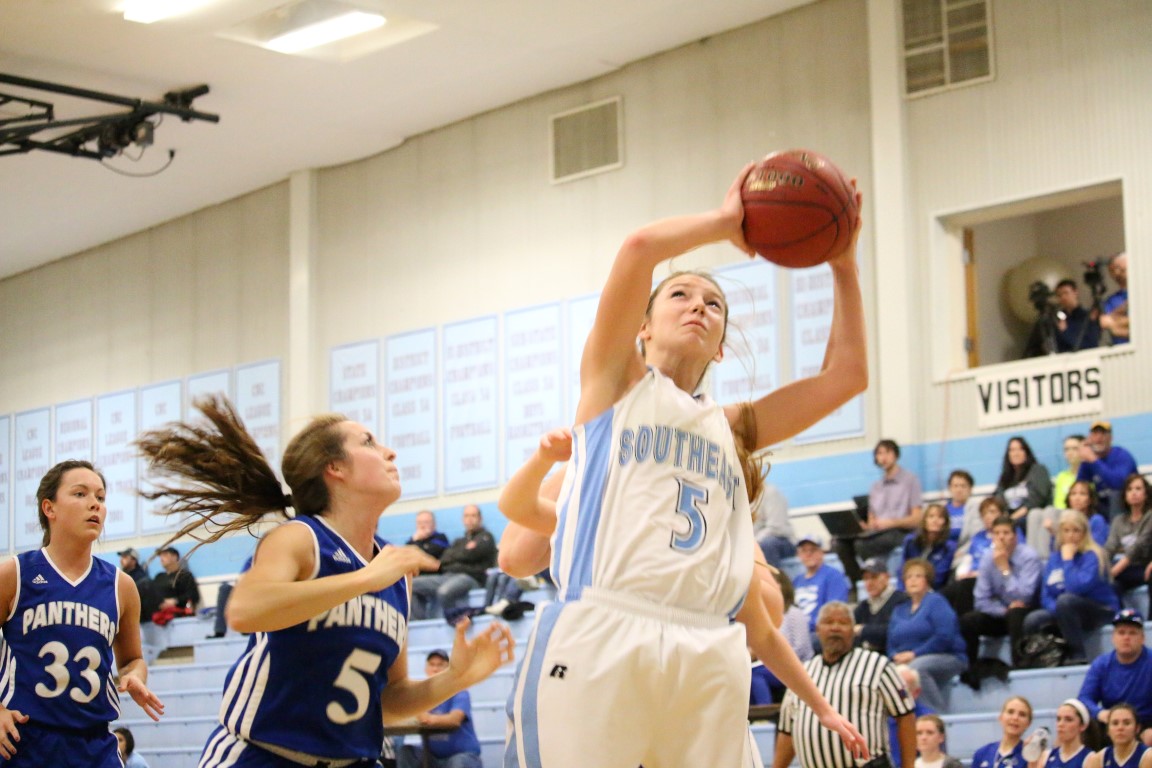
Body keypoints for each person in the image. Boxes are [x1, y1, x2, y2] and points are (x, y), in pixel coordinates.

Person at [494, 164, 869, 768]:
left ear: (720, 348)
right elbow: (639, 248)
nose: (699, 305)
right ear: (641, 328)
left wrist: (842, 262)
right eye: (680, 295)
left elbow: (846, 377)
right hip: (605, 625)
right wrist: (725, 223)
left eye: (714, 305)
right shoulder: (614, 384)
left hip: (708, 644)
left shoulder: (732, 427)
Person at [136, 396, 515, 767]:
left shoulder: (395, 570)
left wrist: (455, 678)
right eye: (369, 442)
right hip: (262, 755)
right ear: (334, 467)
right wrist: (365, 578)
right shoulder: (301, 537)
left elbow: (388, 701)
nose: (390, 452)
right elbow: (243, 611)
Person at [0, 460, 164, 766]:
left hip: (95, 745)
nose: (94, 504)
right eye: (80, 494)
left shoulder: (121, 586)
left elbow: (132, 659)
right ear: (49, 508)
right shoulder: (15, 574)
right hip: (24, 741)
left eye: (100, 497)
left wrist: (135, 676)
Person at [774, 602, 915, 768]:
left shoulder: (878, 665)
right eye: (828, 622)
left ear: (854, 630)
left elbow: (905, 716)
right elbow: (787, 730)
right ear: (817, 630)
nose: (835, 628)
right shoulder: (801, 673)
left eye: (843, 622)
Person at [1023, 510, 1118, 665]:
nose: (1071, 535)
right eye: (1066, 531)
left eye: (1076, 530)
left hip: (1099, 609)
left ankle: (1078, 655)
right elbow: (1045, 595)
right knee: (1033, 619)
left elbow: (1076, 588)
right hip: (1065, 610)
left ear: (1084, 533)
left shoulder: (1093, 555)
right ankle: (1042, 661)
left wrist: (1068, 561)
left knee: (1065, 600)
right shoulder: (1055, 558)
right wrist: (1057, 610)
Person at [834, 439, 923, 586]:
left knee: (862, 545)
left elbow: (917, 518)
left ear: (895, 454)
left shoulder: (910, 480)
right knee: (839, 544)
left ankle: (876, 578)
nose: (883, 457)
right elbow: (872, 520)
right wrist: (864, 527)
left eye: (887, 452)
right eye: (879, 453)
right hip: (877, 533)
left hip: (900, 531)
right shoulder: (876, 487)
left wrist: (891, 523)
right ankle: (859, 583)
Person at [959, 516, 1042, 667]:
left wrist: (1005, 570)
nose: (1001, 537)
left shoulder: (1029, 557)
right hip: (1002, 612)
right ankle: (970, 669)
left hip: (1026, 610)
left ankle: (1020, 667)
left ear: (1015, 537)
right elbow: (980, 601)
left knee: (1016, 613)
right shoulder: (987, 559)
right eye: (997, 533)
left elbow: (1025, 596)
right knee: (968, 620)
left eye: (1006, 533)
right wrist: (1003, 611)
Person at [888, 558, 966, 713]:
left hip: (946, 656)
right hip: (906, 659)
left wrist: (914, 654)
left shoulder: (936, 602)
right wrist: (894, 655)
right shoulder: (899, 609)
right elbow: (890, 641)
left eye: (918, 576)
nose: (913, 580)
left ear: (928, 580)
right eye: (909, 577)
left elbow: (945, 636)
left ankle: (935, 716)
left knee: (916, 669)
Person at [396, 649, 483, 768]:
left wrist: (428, 718)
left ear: (448, 670)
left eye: (440, 665)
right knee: (406, 753)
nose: (435, 669)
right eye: (432, 665)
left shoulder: (459, 691)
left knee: (458, 763)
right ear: (426, 669)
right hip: (433, 757)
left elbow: (455, 720)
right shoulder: (422, 696)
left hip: (462, 755)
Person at [1077, 609, 1152, 745]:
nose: (1126, 638)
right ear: (1113, 638)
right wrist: (1100, 713)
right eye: (1121, 633)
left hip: (1145, 723)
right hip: (1112, 722)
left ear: (1142, 638)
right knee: (1078, 727)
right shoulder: (1101, 664)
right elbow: (1084, 698)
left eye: (1132, 633)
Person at [411, 505, 497, 620]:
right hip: (448, 576)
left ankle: (456, 621)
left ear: (480, 518)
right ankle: (420, 623)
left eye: (473, 516)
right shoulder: (459, 541)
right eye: (466, 516)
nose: (470, 519)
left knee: (444, 591)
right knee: (412, 585)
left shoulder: (486, 537)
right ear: (463, 519)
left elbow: (471, 555)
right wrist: (464, 553)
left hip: (471, 578)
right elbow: (444, 559)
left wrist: (457, 557)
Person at [944, 497, 1006, 617]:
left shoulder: (1007, 535)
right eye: (984, 514)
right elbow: (969, 559)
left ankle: (963, 622)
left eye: (992, 512)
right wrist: (962, 572)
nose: (988, 517)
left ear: (1002, 514)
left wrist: (979, 573)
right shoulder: (978, 537)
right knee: (944, 593)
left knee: (965, 586)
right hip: (971, 576)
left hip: (993, 578)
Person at [993, 437, 1053, 542]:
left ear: (1026, 452)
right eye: (1012, 450)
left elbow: (1037, 498)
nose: (1016, 453)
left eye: (1020, 449)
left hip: (1031, 516)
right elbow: (998, 497)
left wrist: (1014, 517)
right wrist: (1004, 516)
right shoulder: (1005, 477)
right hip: (1011, 519)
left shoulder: (1038, 470)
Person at [1105, 474, 1152, 607]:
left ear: (1146, 494)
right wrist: (1101, 565)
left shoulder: (1150, 516)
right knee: (1110, 585)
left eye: (1138, 489)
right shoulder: (1119, 521)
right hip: (1128, 568)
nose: (1133, 493)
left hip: (1145, 565)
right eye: (1129, 489)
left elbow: (1139, 546)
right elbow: (1109, 547)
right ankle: (1122, 617)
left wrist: (1114, 571)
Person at [1077, 421, 1139, 518]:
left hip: (1125, 507)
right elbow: (1081, 485)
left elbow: (1118, 484)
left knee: (1115, 495)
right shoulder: (1088, 461)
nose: (1099, 438)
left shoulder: (1122, 455)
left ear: (1111, 438)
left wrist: (1094, 460)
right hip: (1100, 508)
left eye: (1103, 434)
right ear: (1090, 438)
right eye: (1095, 434)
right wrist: (1083, 460)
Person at [794, 534, 851, 633]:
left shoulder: (833, 576)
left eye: (813, 550)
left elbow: (834, 611)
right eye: (804, 551)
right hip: (797, 630)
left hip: (820, 632)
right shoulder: (797, 580)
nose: (808, 554)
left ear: (821, 552)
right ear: (799, 555)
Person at [854, 556, 908, 655]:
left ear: (887, 577)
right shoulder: (863, 606)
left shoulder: (901, 600)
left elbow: (895, 632)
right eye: (866, 579)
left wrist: (863, 630)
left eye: (874, 577)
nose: (869, 583)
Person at [900, 504, 957, 590]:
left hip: (934, 589)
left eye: (940, 517)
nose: (935, 520)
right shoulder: (910, 541)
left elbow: (939, 576)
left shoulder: (949, 547)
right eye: (931, 516)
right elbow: (902, 568)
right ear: (924, 520)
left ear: (945, 522)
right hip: (908, 587)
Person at [1032, 699, 1100, 768]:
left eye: (1068, 719)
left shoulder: (1090, 759)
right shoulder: (1046, 756)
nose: (1061, 724)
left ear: (1083, 726)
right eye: (1058, 719)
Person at [971, 696, 1034, 768]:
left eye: (1022, 714)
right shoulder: (982, 753)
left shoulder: (1030, 757)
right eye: (1010, 712)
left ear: (1028, 723)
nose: (1015, 718)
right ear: (1000, 717)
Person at [1083, 704, 1151, 768]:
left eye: (1127, 723)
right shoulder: (1098, 759)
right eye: (1115, 723)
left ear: (1137, 728)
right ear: (1108, 730)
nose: (1120, 728)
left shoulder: (1148, 757)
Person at [150, 545, 201, 625]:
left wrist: (175, 601)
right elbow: (152, 595)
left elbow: (193, 595)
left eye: (165, 555)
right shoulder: (159, 577)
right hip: (159, 617)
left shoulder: (185, 575)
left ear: (174, 557)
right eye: (160, 556)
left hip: (179, 617)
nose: (161, 558)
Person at [755, 482, 797, 568]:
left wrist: (753, 542)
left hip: (782, 541)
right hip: (756, 542)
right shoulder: (741, 498)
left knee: (768, 544)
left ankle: (771, 575)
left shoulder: (770, 493)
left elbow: (776, 527)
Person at [1053, 279, 1101, 353]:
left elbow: (1091, 344)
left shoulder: (1088, 317)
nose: (1063, 297)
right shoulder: (1058, 319)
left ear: (1075, 292)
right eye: (1059, 295)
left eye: (1066, 293)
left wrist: (1065, 332)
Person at [119, 547, 160, 624]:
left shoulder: (143, 580)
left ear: (134, 560)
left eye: (125, 557)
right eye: (121, 557)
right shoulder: (121, 577)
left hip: (142, 622)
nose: (121, 560)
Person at [1098, 253, 1129, 345]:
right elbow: (1107, 324)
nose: (1117, 273)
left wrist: (1117, 321)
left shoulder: (1145, 292)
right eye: (1112, 270)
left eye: (1120, 268)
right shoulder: (1111, 301)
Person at [945, 469, 979, 544]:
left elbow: (976, 536)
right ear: (949, 488)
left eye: (963, 486)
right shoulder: (943, 510)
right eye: (955, 486)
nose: (959, 490)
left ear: (970, 489)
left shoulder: (977, 510)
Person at [1053, 437, 1087, 511]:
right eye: (1066, 449)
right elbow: (1058, 503)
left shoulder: (1090, 475)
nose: (1070, 453)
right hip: (1063, 514)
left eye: (1075, 449)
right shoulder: (1062, 476)